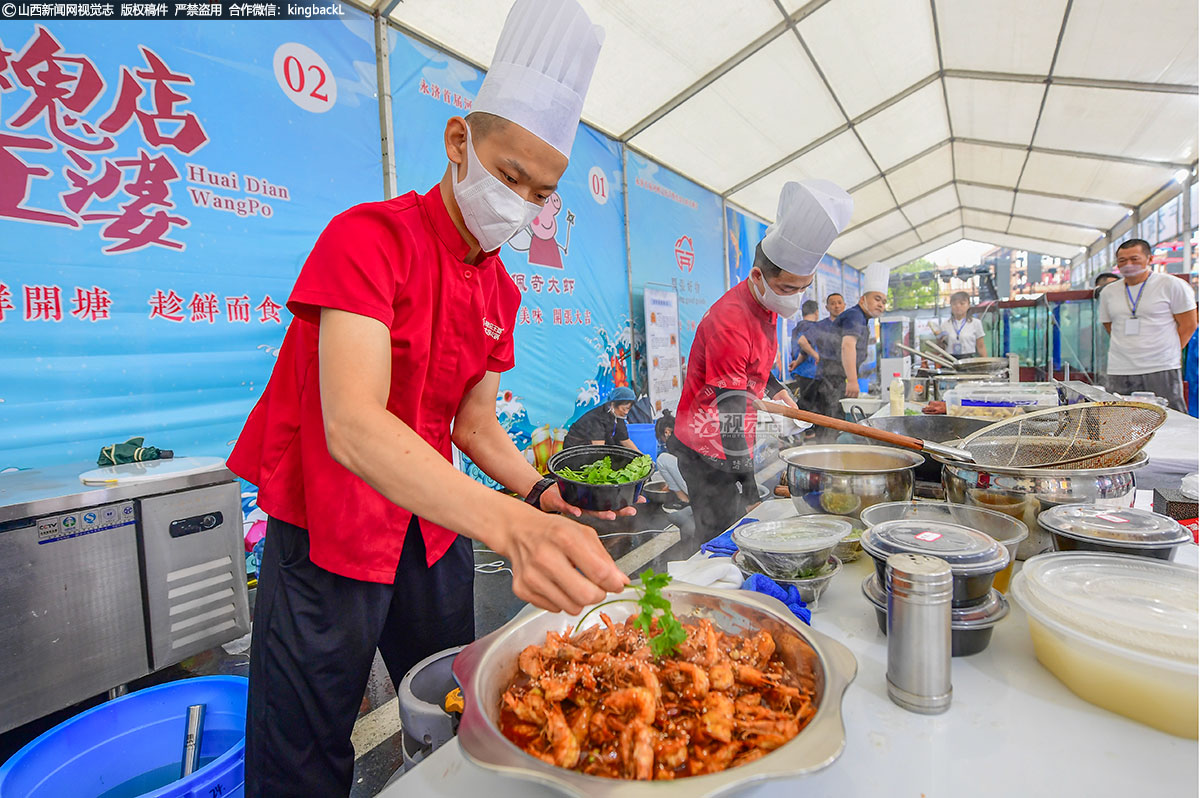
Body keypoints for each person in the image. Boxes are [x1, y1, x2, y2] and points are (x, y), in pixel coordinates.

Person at [225, 4, 630, 796]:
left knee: (454, 710)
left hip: (429, 530)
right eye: (509, 176)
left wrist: (544, 492)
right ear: (459, 143)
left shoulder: (501, 289)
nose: (520, 203)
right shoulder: (367, 240)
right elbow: (352, 423)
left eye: (540, 193)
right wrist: (514, 528)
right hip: (328, 529)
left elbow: (474, 425)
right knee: (303, 749)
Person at [672, 179, 852, 537]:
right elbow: (731, 410)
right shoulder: (731, 321)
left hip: (731, 434)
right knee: (722, 538)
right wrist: (749, 487)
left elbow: (755, 363)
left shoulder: (765, 302)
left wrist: (776, 387)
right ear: (758, 276)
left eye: (803, 288)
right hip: (707, 445)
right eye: (788, 288)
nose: (795, 298)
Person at [1097, 238, 1197, 412]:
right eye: (1122, 260)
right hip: (1120, 367)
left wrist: (1168, 350)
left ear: (1149, 259)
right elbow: (1110, 327)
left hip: (1161, 367)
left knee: (1170, 418)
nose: (1128, 264)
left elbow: (1189, 325)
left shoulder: (1172, 285)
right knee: (1118, 419)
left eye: (1134, 259)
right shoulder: (1108, 292)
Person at [838, 262, 890, 400]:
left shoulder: (862, 318)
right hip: (830, 381)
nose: (880, 304)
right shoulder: (855, 315)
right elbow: (847, 345)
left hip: (837, 379)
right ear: (862, 300)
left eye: (884, 302)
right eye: (877, 299)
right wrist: (852, 381)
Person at [563, 386, 640, 450]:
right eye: (624, 409)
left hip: (596, 447)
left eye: (628, 409)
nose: (626, 412)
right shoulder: (597, 417)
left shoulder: (617, 415)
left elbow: (625, 440)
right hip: (576, 448)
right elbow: (598, 447)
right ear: (613, 404)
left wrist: (641, 456)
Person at [928, 291, 987, 357]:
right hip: (950, 360)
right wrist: (939, 342)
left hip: (969, 359)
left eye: (962, 303)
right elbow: (942, 348)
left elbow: (981, 346)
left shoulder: (976, 323)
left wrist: (986, 364)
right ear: (951, 306)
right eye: (954, 304)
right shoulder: (944, 325)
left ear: (968, 305)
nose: (958, 306)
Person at [786, 299, 822, 404]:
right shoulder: (814, 327)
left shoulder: (797, 328)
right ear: (816, 312)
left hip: (799, 372)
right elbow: (805, 344)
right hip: (812, 373)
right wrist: (816, 356)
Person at [653, 410, 688, 505]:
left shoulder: (672, 440)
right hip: (712, 487)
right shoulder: (686, 431)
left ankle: (684, 500)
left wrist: (670, 484)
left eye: (661, 439)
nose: (663, 442)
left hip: (696, 489)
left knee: (662, 459)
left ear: (666, 432)